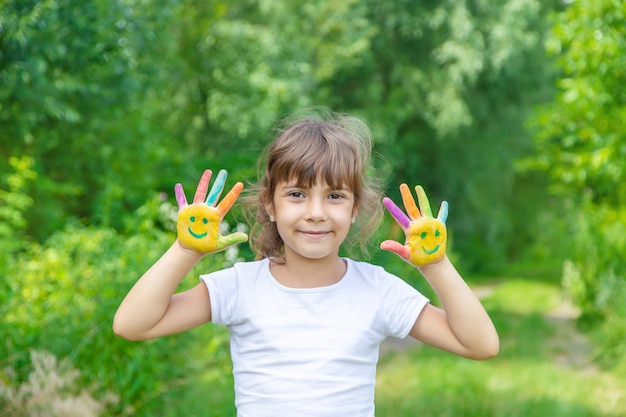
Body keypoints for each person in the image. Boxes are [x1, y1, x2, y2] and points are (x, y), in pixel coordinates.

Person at [113, 110, 499, 417]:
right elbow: (132, 324)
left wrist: (436, 266)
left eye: (334, 196)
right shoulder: (239, 287)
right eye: (297, 194)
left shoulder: (377, 290)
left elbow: (480, 344)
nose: (316, 213)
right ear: (270, 203)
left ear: (354, 208)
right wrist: (185, 251)